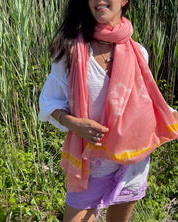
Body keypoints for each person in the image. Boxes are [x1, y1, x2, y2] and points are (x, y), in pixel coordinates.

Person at [39, 0, 178, 221]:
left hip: (132, 162)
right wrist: (74, 124)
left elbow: (149, 100)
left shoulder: (138, 52)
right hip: (90, 165)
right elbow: (49, 102)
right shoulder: (71, 51)